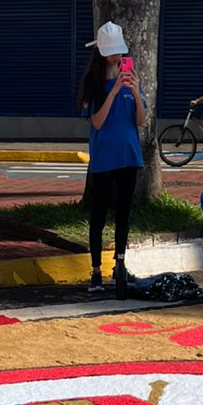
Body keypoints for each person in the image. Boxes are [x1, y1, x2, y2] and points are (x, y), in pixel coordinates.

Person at [78, 21, 146, 299]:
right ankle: (96, 270)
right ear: (102, 53)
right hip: (105, 158)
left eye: (120, 53)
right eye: (112, 53)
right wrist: (114, 90)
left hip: (129, 156)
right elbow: (96, 122)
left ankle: (120, 263)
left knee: (123, 214)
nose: (117, 58)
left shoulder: (129, 79)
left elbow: (140, 121)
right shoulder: (93, 85)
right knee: (99, 215)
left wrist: (136, 93)